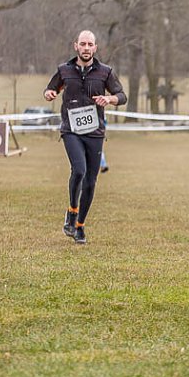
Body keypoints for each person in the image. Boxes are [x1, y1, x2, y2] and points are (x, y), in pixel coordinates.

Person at [44, 30, 127, 244]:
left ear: (95, 48)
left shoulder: (105, 72)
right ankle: (72, 211)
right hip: (71, 129)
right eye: (83, 44)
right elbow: (50, 88)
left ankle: (79, 225)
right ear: (76, 46)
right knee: (78, 170)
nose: (87, 48)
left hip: (95, 132)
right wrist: (49, 93)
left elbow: (122, 96)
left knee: (91, 181)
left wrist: (109, 100)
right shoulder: (64, 70)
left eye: (90, 44)